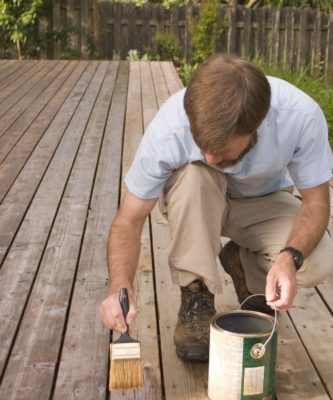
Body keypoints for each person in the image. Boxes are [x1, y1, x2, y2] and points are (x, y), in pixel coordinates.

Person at [99, 54, 333, 362]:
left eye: (222, 149)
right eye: (202, 144)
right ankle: (196, 293)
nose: (210, 156)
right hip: (196, 201)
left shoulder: (300, 116)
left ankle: (245, 271)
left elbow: (316, 204)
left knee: (318, 260)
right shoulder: (170, 126)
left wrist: (289, 258)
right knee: (197, 173)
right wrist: (119, 288)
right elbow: (128, 221)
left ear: (258, 126)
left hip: (263, 201)